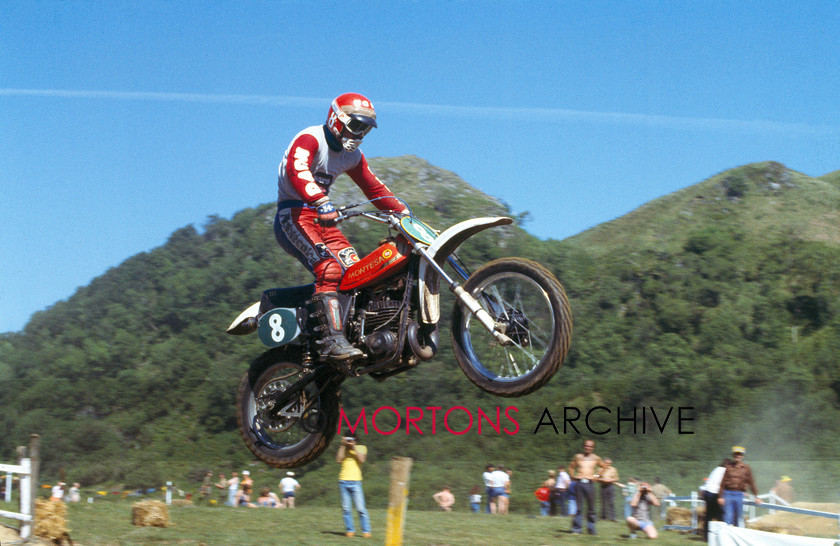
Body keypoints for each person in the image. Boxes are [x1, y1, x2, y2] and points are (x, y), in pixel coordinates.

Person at [273, 93, 409, 363]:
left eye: (365, 129)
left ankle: (356, 333)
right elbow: (296, 170)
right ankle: (330, 341)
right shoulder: (310, 139)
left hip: (324, 220)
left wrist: (404, 215)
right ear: (338, 120)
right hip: (294, 214)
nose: (360, 135)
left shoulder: (353, 156)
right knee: (328, 267)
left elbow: (374, 187)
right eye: (357, 126)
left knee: (359, 272)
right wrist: (320, 200)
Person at [336, 435, 371, 538]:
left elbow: (362, 459)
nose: (349, 441)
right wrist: (343, 445)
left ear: (356, 439)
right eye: (347, 439)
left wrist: (354, 447)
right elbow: (338, 460)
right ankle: (350, 530)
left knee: (361, 508)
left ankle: (366, 531)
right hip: (343, 481)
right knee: (346, 508)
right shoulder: (343, 449)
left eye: (351, 439)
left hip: (356, 482)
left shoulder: (361, 447)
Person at [718, 446, 761, 526]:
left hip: (739, 495)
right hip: (728, 494)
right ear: (733, 455)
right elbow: (723, 482)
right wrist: (720, 496)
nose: (737, 456)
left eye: (739, 454)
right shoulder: (728, 467)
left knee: (738, 518)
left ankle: (735, 537)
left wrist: (756, 496)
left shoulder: (747, 468)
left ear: (742, 456)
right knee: (727, 517)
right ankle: (727, 537)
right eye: (736, 454)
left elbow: (751, 482)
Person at [568, 439, 602, 535]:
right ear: (584, 446)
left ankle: (591, 529)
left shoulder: (596, 458)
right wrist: (572, 476)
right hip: (579, 483)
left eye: (590, 446)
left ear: (593, 448)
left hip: (590, 483)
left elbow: (603, 467)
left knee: (591, 507)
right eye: (587, 446)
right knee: (579, 507)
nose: (588, 448)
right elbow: (571, 467)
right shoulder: (578, 456)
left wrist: (597, 476)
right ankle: (577, 529)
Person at [701, 459, 730, 541]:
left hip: (707, 492)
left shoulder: (716, 469)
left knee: (708, 516)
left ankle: (706, 536)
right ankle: (719, 536)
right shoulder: (724, 470)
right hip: (714, 493)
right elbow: (724, 484)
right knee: (720, 515)